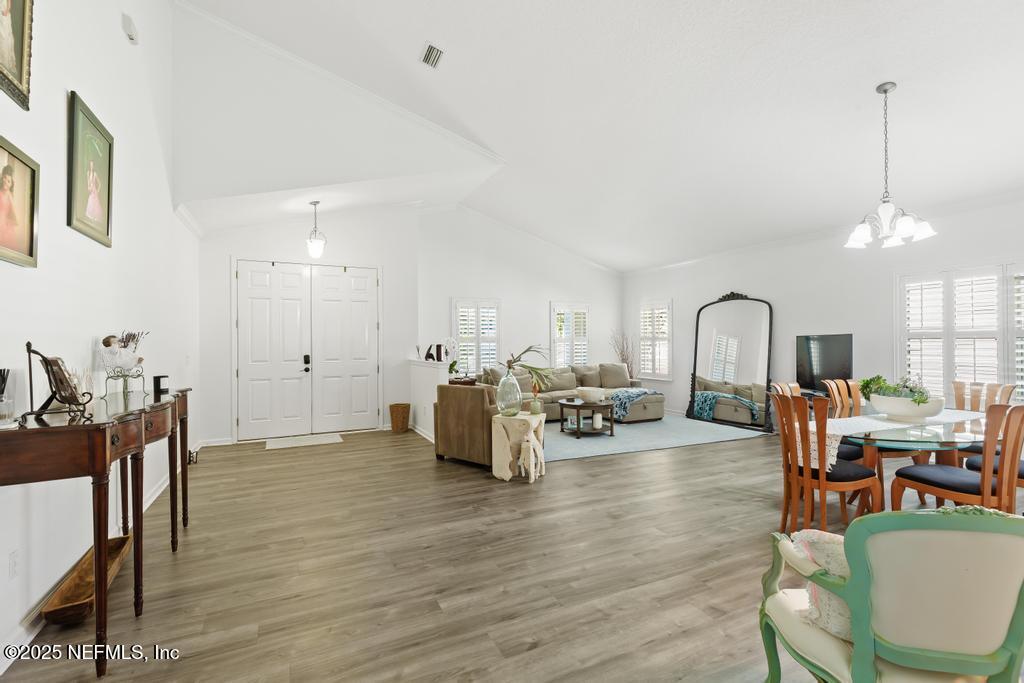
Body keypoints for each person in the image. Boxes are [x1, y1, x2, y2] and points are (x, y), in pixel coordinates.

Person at [0, 164, 18, 251]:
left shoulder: (9, 196)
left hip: (4, 227)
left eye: (8, 181)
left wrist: (8, 222)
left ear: (11, 184)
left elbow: (14, 216)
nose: (5, 181)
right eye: (4, 178)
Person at [0, 0, 16, 76]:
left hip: (4, 13)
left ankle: (5, 60)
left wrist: (6, 11)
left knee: (4, 36)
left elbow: (9, 2)